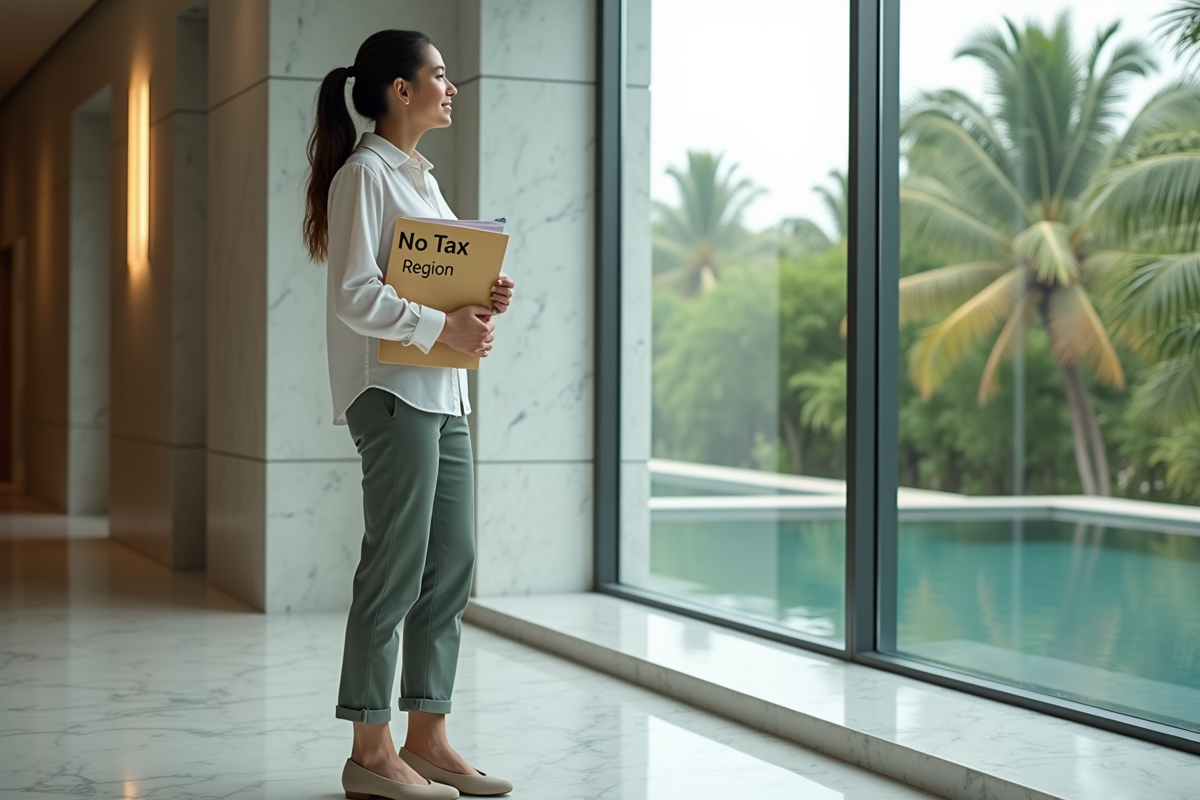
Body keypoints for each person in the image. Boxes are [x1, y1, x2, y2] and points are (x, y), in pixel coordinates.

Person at [302, 29, 517, 800]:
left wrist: (479, 298)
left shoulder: (422, 180)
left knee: (451, 562)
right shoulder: (365, 176)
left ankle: (428, 736)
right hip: (392, 393)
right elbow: (356, 294)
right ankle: (370, 747)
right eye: (439, 74)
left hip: (443, 392)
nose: (449, 86)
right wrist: (441, 325)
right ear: (400, 89)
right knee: (394, 567)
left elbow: (434, 281)